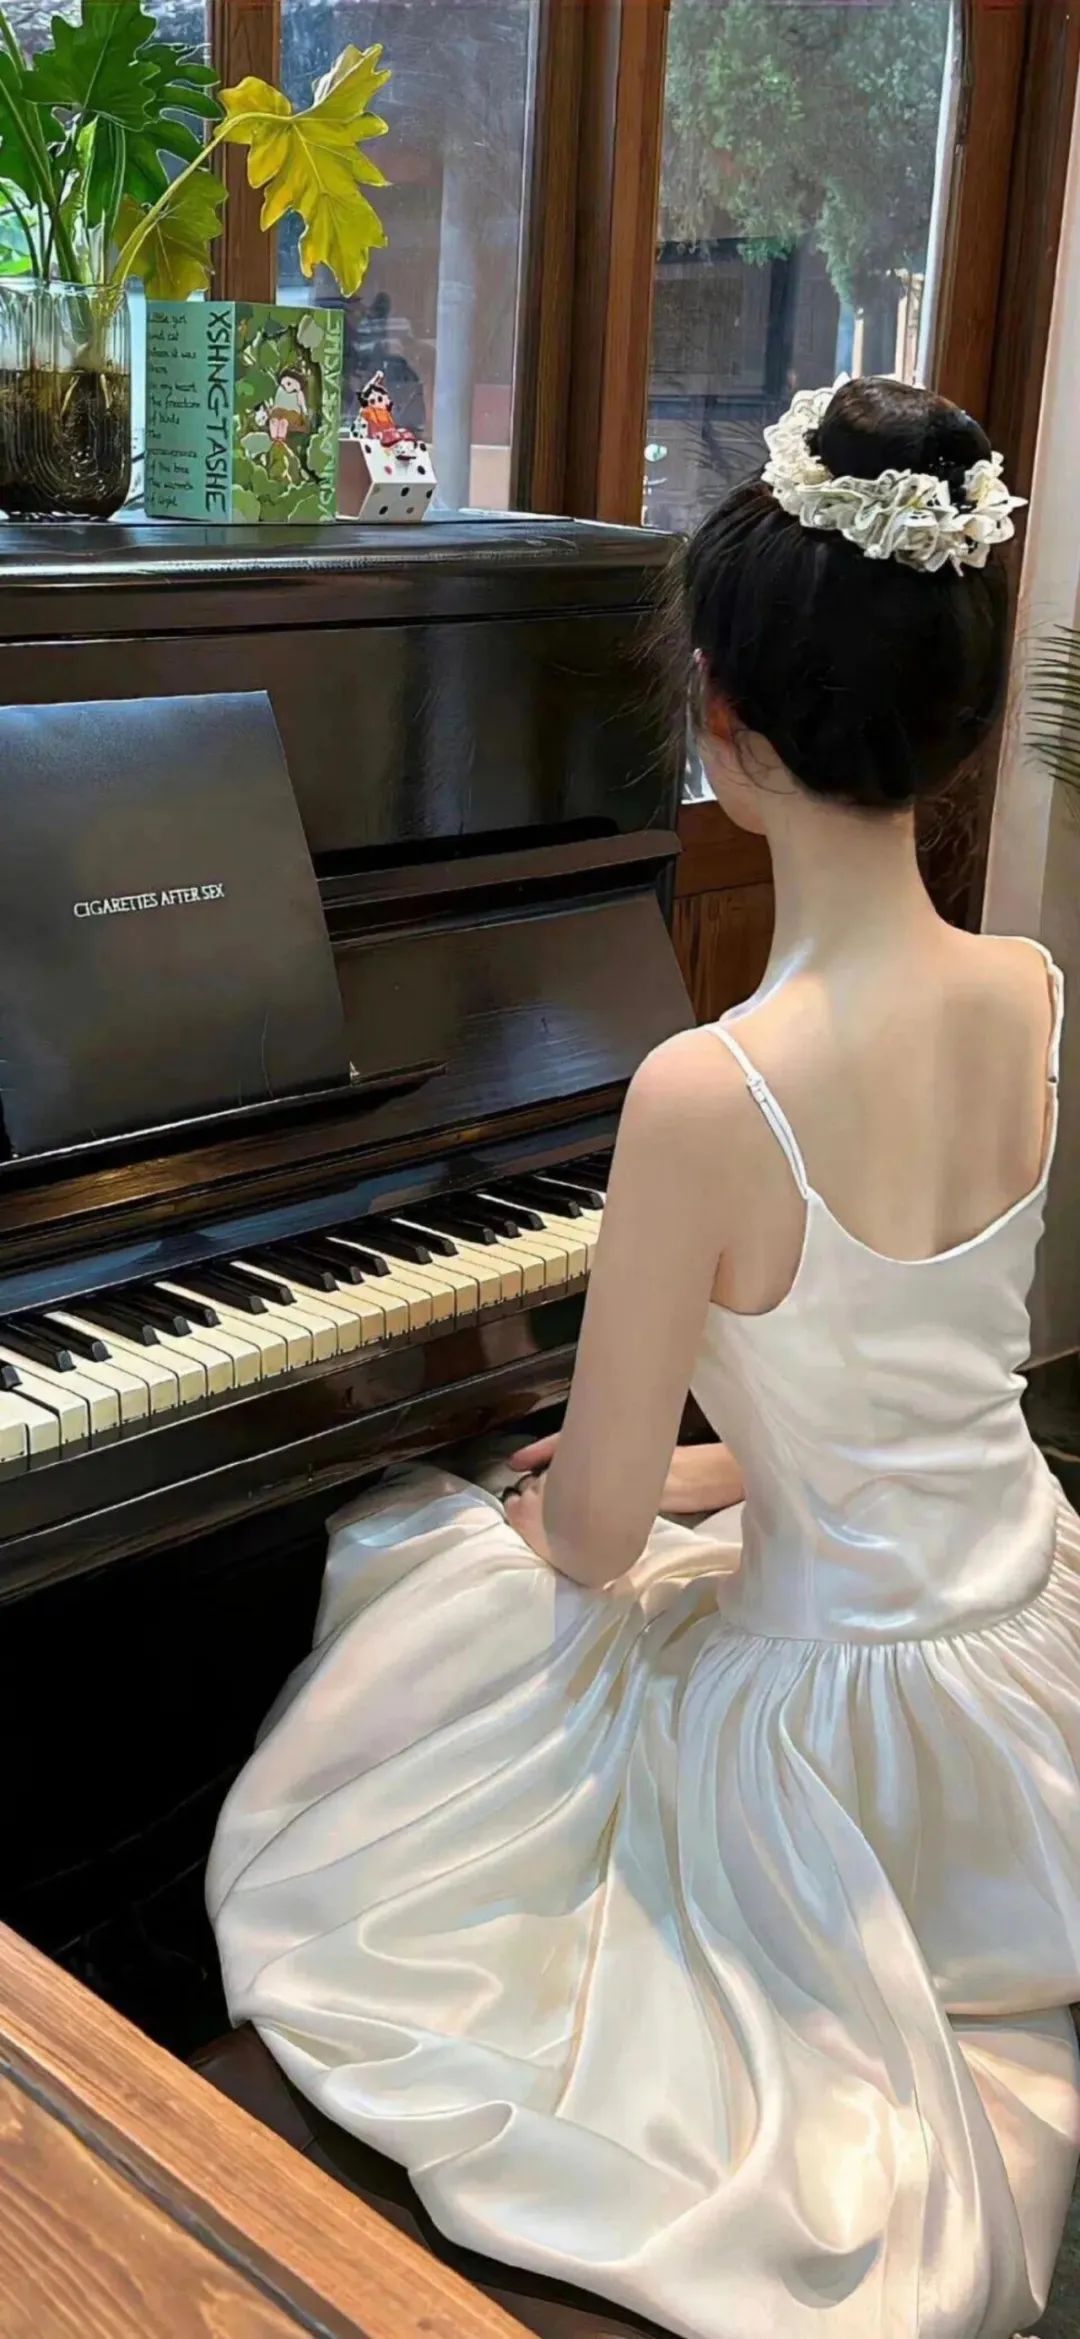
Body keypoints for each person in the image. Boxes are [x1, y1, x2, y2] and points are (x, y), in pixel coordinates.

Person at [208, 377, 1080, 2339]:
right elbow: (908, 1383)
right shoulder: (1034, 992)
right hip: (1025, 1650)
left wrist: (551, 1509)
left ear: (720, 721)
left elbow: (592, 1542)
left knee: (430, 1591)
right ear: (953, 713)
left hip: (831, 1753)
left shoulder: (707, 1090)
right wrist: (714, 1471)